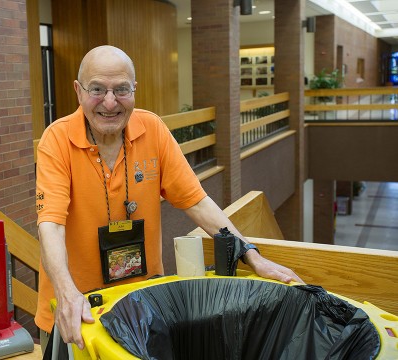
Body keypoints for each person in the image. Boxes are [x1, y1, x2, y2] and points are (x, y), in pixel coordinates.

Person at [35, 45, 303, 352]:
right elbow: (51, 225)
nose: (110, 102)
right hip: (79, 311)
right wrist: (67, 293)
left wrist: (250, 254)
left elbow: (197, 202)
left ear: (134, 89)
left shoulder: (152, 129)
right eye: (97, 89)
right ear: (78, 91)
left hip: (143, 302)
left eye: (121, 89)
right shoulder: (56, 140)